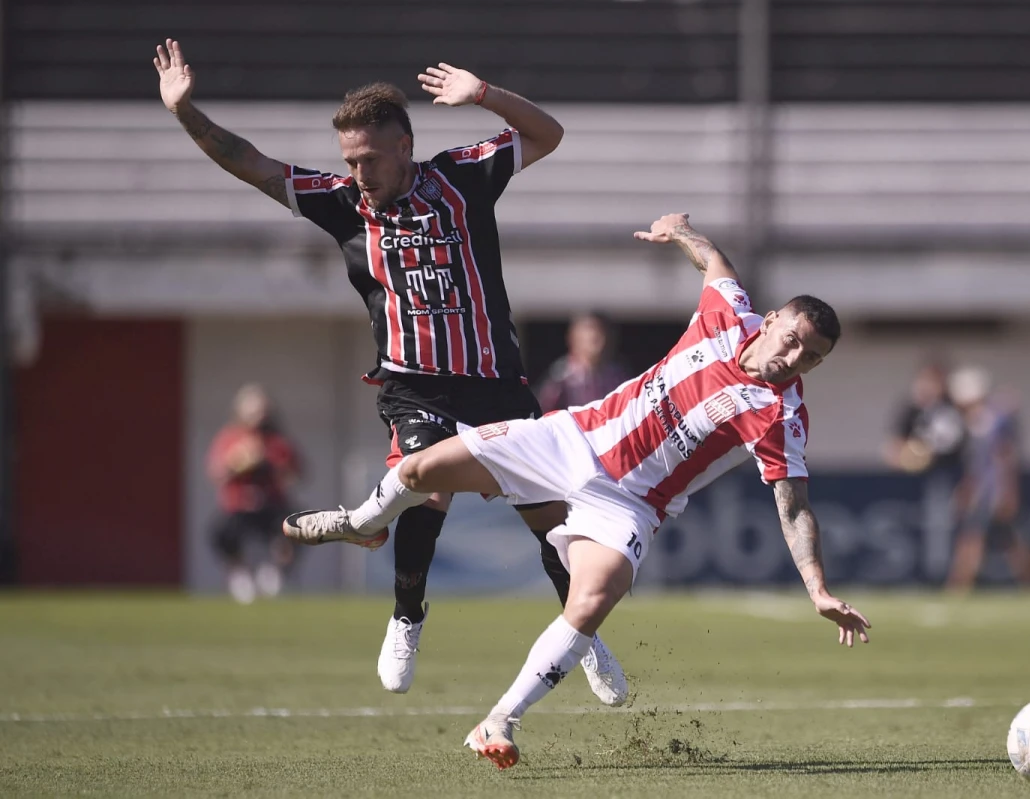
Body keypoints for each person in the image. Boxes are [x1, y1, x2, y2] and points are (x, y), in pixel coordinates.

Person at [284, 213, 871, 770]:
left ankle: (498, 721)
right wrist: (680, 231)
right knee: (418, 472)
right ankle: (362, 524)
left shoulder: (779, 416)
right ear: (769, 321)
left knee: (595, 595)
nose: (792, 359)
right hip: (574, 439)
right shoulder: (729, 311)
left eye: (810, 358)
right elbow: (713, 259)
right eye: (791, 339)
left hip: (631, 503)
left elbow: (793, 508)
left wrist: (818, 589)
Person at [154, 39, 626, 704]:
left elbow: (548, 133)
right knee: (427, 490)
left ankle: (582, 635)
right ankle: (407, 615)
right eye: (350, 159)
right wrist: (186, 113)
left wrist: (484, 92)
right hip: (413, 383)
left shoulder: (463, 176)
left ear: (404, 145)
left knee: (551, 522)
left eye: (370, 158)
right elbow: (251, 163)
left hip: (495, 381)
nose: (359, 171)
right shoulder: (344, 203)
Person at [945, 366, 1030, 591]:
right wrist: (967, 488)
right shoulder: (978, 422)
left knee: (973, 538)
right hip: (985, 490)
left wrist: (1007, 491)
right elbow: (976, 464)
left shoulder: (994, 421)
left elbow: (1005, 458)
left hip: (992, 492)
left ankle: (957, 589)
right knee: (1010, 541)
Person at [206, 383, 302, 604]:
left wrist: (270, 463)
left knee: (298, 529)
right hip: (238, 507)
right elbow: (216, 472)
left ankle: (274, 573)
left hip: (272, 505)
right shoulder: (229, 438)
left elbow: (295, 474)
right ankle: (240, 575)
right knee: (221, 533)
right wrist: (236, 463)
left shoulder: (277, 441)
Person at [883, 358, 965, 478]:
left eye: (935, 380)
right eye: (926, 379)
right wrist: (906, 457)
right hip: (917, 477)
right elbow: (894, 446)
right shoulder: (911, 410)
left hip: (952, 473)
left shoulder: (956, 407)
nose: (930, 385)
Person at [536, 312, 631, 411]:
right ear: (573, 337)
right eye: (590, 330)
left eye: (601, 331)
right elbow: (543, 412)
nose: (596, 335)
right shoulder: (561, 377)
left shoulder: (617, 375)